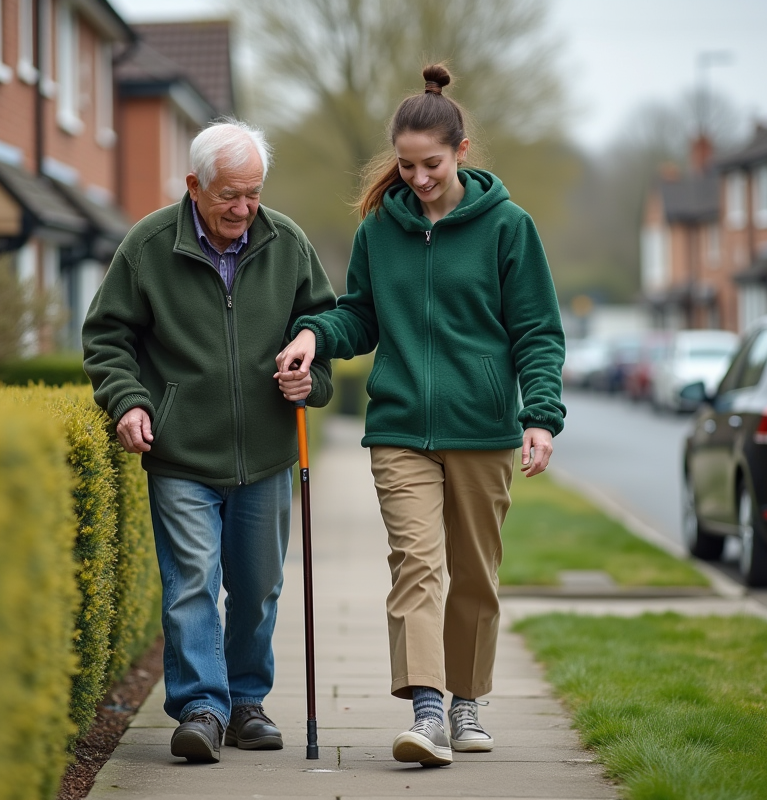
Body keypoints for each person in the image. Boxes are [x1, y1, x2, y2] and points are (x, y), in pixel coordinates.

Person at [275, 65, 565, 767]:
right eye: (405, 166)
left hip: (484, 428)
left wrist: (541, 416)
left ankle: (467, 701)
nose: (417, 178)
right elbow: (362, 317)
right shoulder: (382, 231)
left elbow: (537, 331)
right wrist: (316, 335)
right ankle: (428, 711)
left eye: (430, 164)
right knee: (417, 565)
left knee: (473, 573)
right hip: (402, 428)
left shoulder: (508, 229)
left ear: (461, 152)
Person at [83, 119, 336, 764]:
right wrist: (130, 401)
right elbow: (107, 336)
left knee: (257, 587)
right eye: (230, 195)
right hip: (182, 455)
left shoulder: (287, 243)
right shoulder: (147, 247)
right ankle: (200, 707)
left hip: (269, 453)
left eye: (253, 193)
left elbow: (325, 322)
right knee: (191, 580)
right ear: (194, 186)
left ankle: (248, 703)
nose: (244, 209)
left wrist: (312, 373)